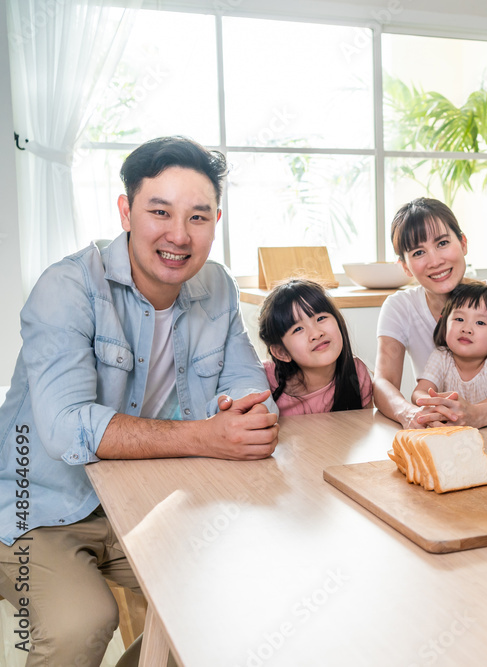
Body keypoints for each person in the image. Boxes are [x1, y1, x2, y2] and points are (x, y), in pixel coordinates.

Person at [0, 137, 279, 667]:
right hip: (35, 506)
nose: (179, 235)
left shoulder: (217, 286)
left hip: (142, 500)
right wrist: (205, 437)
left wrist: (251, 419)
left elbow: (249, 386)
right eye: (159, 212)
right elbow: (64, 428)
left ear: (216, 221)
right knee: (81, 622)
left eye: (198, 217)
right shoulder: (66, 288)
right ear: (126, 211)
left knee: (233, 595)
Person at [374, 198, 487, 429]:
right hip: (445, 436)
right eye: (418, 252)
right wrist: (410, 414)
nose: (435, 261)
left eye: (443, 243)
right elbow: (383, 383)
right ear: (405, 266)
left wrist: (476, 414)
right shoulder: (399, 307)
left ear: (463, 243)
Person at [258, 278, 373, 414]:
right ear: (282, 352)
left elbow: (365, 427)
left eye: (321, 318)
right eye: (298, 329)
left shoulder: (357, 372)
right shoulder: (263, 379)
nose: (316, 334)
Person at [413, 281, 487, 406]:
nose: (466, 329)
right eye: (459, 319)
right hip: (452, 423)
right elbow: (419, 392)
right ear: (445, 327)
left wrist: (469, 412)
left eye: (480, 322)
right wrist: (433, 402)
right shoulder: (441, 356)